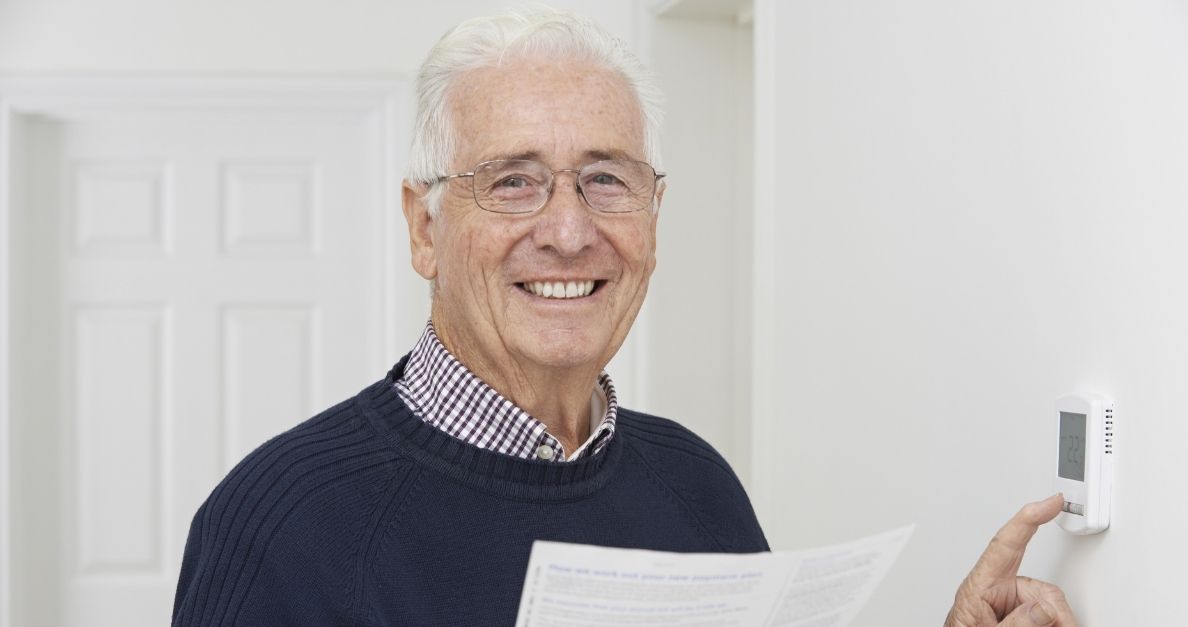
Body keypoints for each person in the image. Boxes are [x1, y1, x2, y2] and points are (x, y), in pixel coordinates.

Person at [172, 7, 1077, 626]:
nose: (569, 231)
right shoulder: (284, 521)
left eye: (607, 179)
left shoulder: (697, 484)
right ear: (425, 228)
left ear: (653, 214)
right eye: (513, 180)